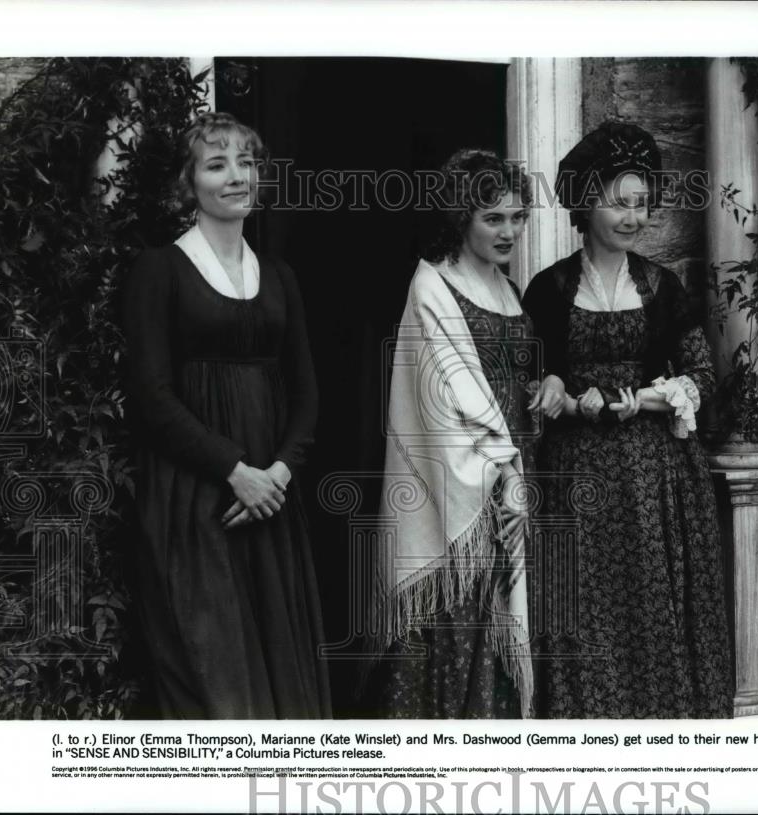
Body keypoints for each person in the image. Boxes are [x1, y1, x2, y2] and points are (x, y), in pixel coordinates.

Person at [122, 112, 331, 718]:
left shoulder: (281, 277)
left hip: (270, 501)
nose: (237, 177)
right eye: (217, 165)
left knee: (281, 678)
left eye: (247, 162)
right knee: (214, 680)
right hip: (197, 500)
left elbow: (307, 394)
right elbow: (150, 397)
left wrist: (278, 476)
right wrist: (235, 469)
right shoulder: (158, 270)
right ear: (189, 185)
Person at [522, 120, 732, 718]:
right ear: (586, 203)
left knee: (647, 599)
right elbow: (531, 375)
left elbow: (701, 375)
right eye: (620, 202)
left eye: (642, 204)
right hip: (574, 476)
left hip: (652, 478)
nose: (633, 217)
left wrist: (643, 398)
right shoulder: (548, 289)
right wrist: (559, 389)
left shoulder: (661, 286)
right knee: (585, 604)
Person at [367, 149, 538, 718]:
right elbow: (446, 403)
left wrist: (547, 390)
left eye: (517, 217)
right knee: (459, 621)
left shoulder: (512, 291)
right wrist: (503, 481)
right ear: (461, 217)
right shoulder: (433, 288)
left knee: (508, 623)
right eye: (494, 219)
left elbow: (517, 382)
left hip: (516, 474)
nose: (509, 230)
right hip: (464, 489)